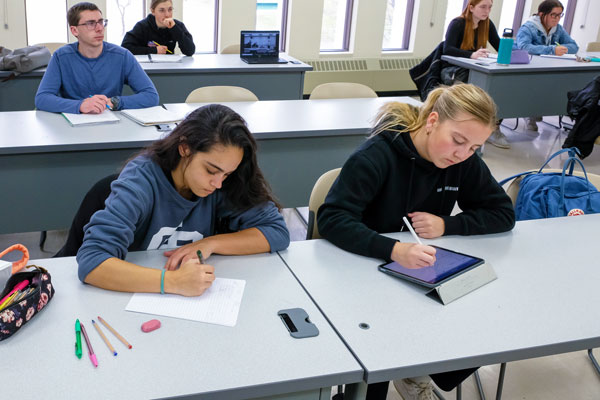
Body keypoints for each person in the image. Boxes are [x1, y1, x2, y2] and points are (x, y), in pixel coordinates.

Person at [318, 83, 515, 400]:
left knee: (491, 316)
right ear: (433, 120)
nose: (462, 154)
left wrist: (447, 224)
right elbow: (332, 218)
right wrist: (394, 249)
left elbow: (502, 213)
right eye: (458, 141)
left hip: (421, 273)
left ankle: (416, 370)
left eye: (474, 148)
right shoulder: (377, 156)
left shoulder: (461, 162)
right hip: (362, 273)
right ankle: (388, 376)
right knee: (382, 347)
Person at [77, 104, 290, 295]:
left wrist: (211, 243)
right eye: (210, 170)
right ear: (185, 148)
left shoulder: (222, 184)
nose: (218, 184)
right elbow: (92, 262)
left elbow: (276, 232)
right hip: (129, 295)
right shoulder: (141, 181)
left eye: (227, 174)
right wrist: (172, 282)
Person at [35, 2, 158, 114]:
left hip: (112, 122)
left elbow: (151, 96)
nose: (99, 28)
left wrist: (114, 102)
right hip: (73, 125)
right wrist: (80, 105)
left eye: (101, 22)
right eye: (90, 24)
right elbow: (42, 98)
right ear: (74, 30)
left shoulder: (122, 56)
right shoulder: (60, 57)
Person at [442, 0, 510, 150]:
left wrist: (513, 51)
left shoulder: (487, 24)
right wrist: (471, 55)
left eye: (490, 7)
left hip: (474, 68)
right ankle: (469, 123)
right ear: (471, 8)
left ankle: (494, 126)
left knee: (500, 83)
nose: (487, 11)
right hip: (452, 69)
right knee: (479, 87)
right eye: (483, 7)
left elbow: (499, 45)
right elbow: (447, 50)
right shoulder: (458, 23)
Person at [516, 0, 579, 132]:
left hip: (546, 68)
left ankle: (538, 110)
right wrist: (551, 50)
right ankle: (529, 112)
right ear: (541, 14)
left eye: (560, 15)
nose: (557, 19)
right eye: (553, 15)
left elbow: (574, 46)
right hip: (527, 69)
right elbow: (524, 47)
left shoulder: (558, 29)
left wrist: (562, 48)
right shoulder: (528, 27)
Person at [121, 0, 195, 56]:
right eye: (161, 10)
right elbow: (125, 47)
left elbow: (190, 51)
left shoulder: (177, 25)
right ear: (153, 11)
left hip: (169, 68)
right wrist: (154, 50)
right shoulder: (142, 26)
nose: (167, 15)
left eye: (170, 9)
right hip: (147, 69)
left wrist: (174, 28)